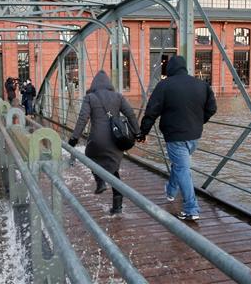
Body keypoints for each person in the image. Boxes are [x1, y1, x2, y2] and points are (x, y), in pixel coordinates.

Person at [137, 56, 217, 221]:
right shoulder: (202, 85)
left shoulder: (164, 85)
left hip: (174, 135)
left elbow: (151, 112)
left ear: (170, 69)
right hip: (194, 136)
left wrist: (143, 132)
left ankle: (191, 209)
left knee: (182, 169)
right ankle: (171, 192)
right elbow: (212, 108)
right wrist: (199, 122)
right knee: (180, 166)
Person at [68, 71, 140, 215]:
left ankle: (100, 181)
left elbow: (83, 118)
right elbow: (130, 114)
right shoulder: (118, 96)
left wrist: (74, 139)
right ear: (108, 84)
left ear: (94, 84)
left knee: (90, 154)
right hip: (116, 139)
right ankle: (117, 205)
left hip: (97, 139)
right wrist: (138, 132)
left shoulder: (90, 97)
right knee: (114, 170)